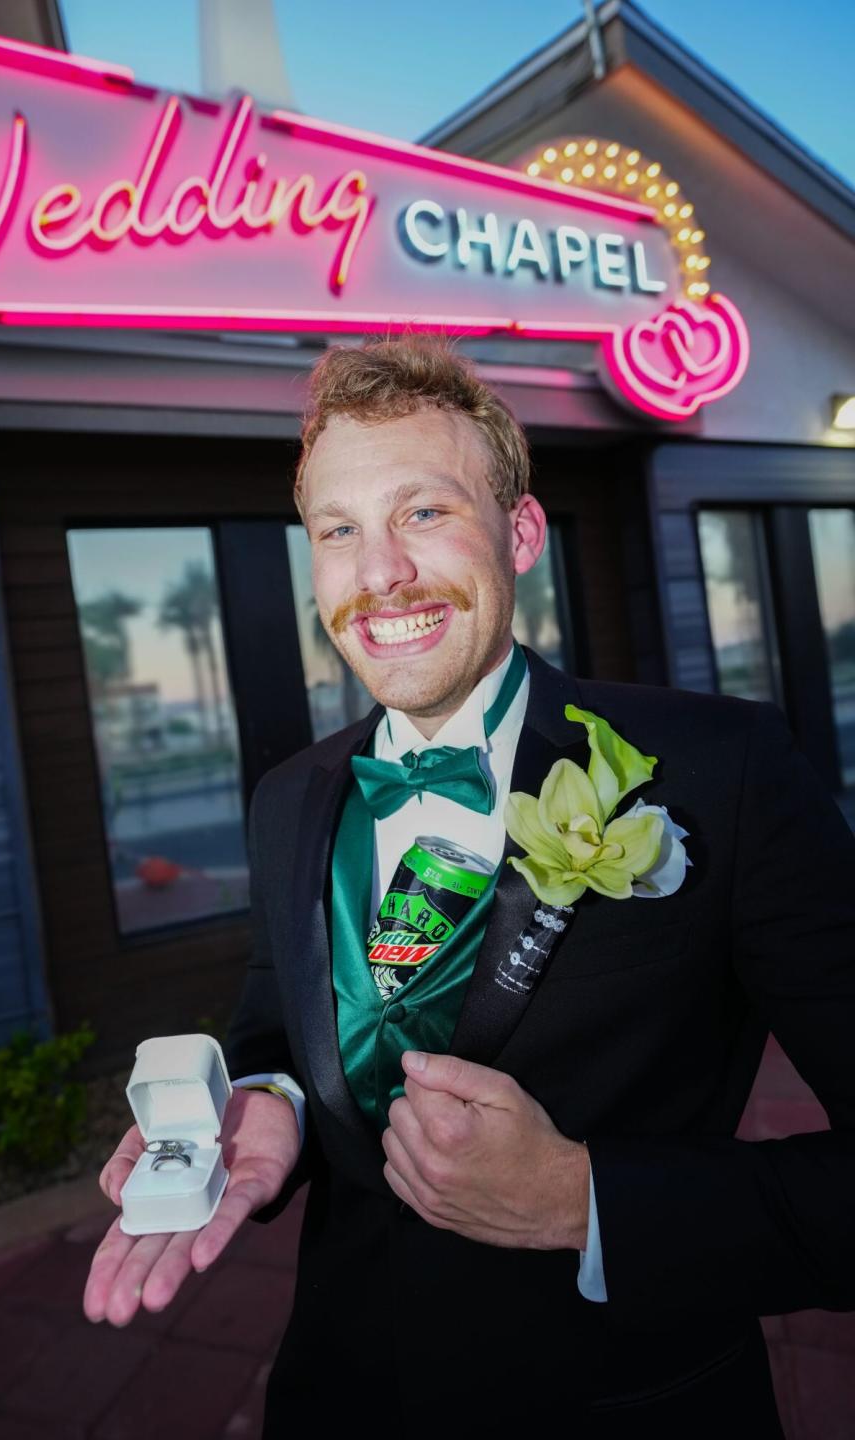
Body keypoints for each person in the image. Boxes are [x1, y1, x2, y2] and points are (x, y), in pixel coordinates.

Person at [84, 338, 855, 1438]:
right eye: (339, 531)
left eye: (425, 513)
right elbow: (272, 1021)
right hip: (343, 1394)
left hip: (624, 1400)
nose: (380, 573)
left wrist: (590, 1203)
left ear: (522, 533)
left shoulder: (721, 772)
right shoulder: (289, 797)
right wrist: (272, 1105)